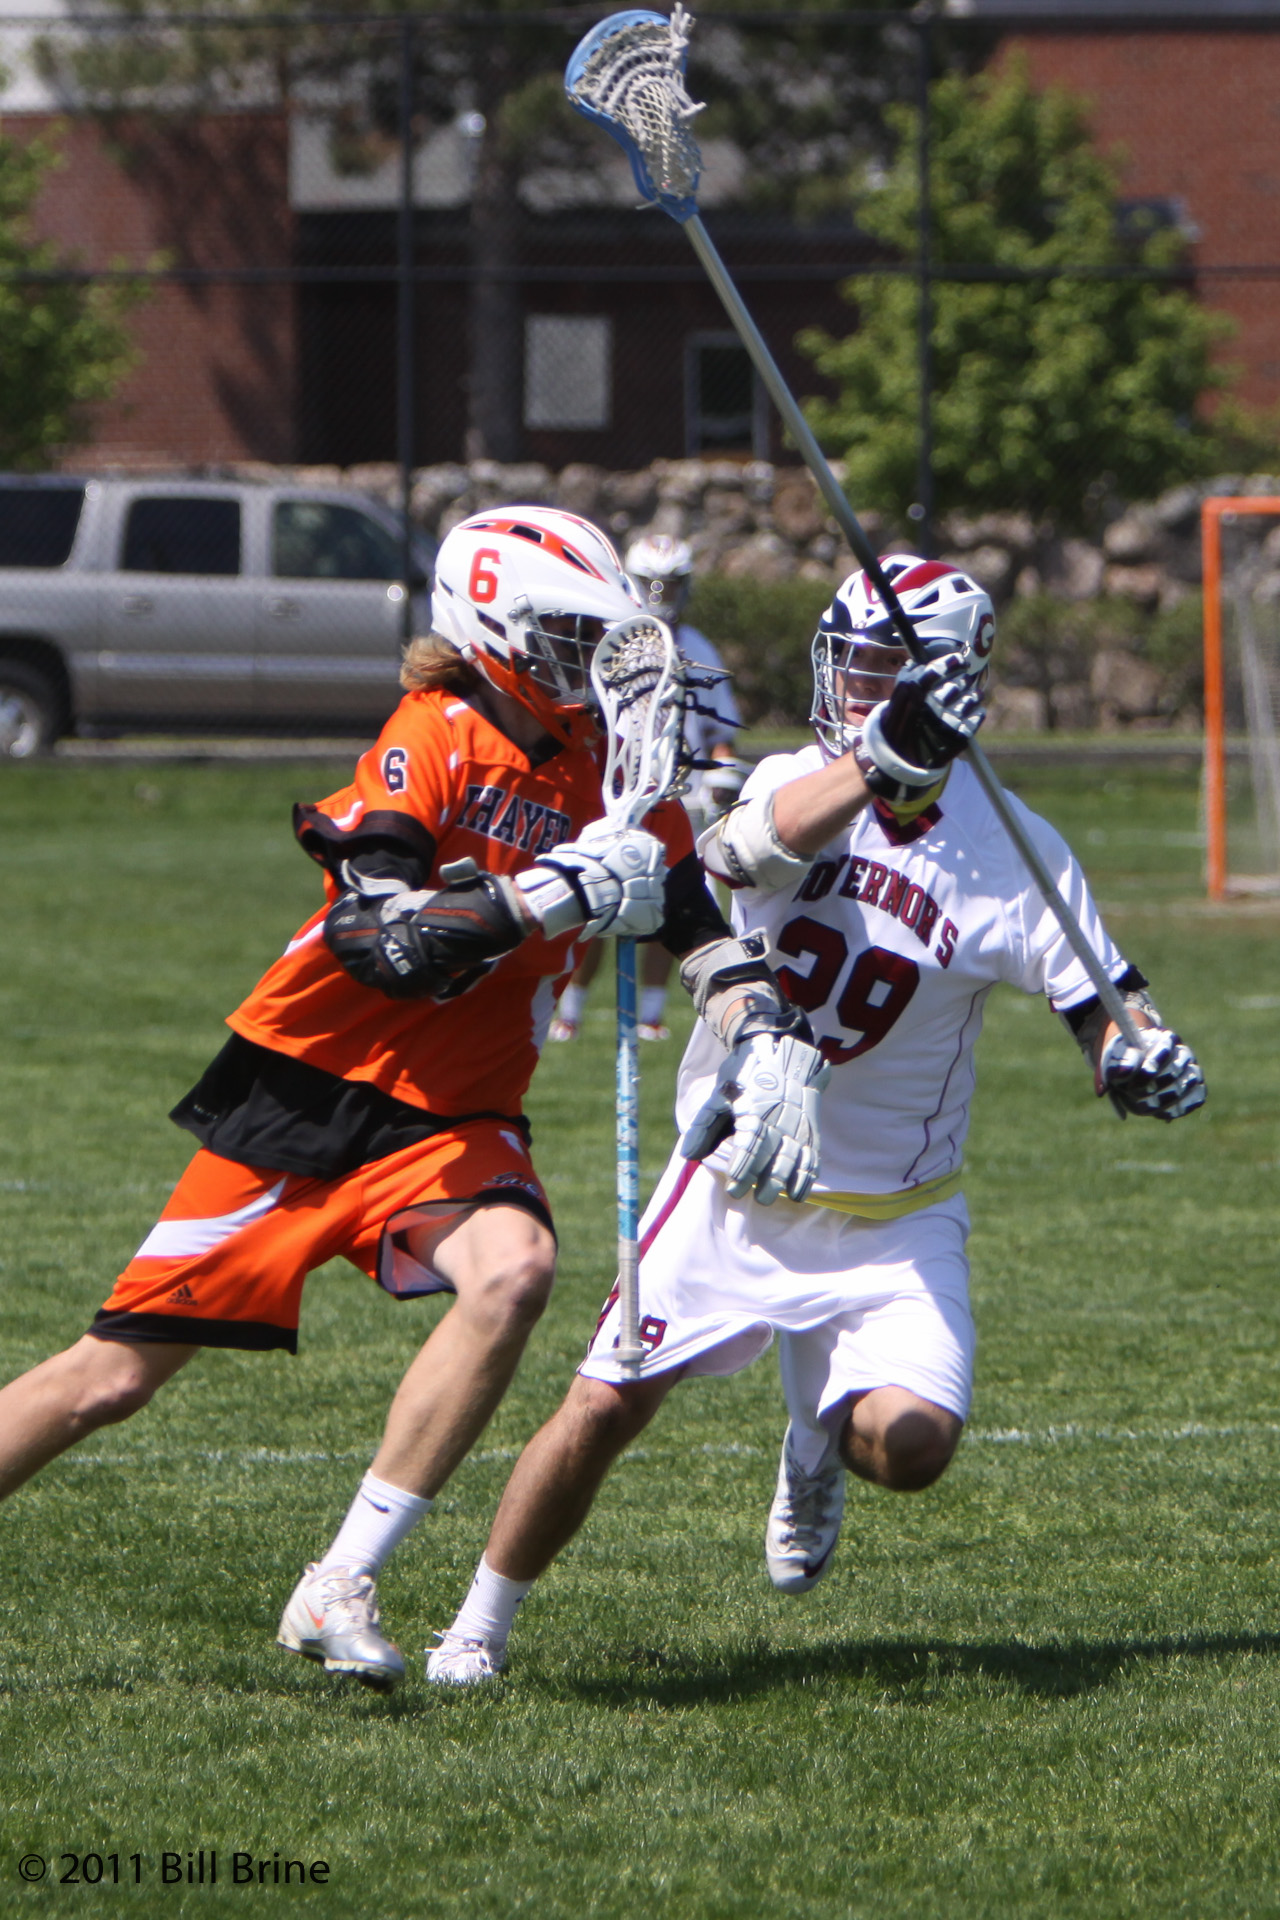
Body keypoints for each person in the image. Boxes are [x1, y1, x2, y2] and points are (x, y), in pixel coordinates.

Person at [0, 505, 824, 1691]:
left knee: (516, 1274)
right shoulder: (432, 732)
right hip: (306, 1098)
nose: (591, 661)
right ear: (494, 625)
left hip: (454, 1113)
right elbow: (379, 939)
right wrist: (547, 895)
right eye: (563, 633)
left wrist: (771, 1035)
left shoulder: (607, 769)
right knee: (111, 1378)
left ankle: (340, 1579)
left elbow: (696, 933)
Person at [425, 554, 1207, 1685]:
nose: (857, 691)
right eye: (850, 665)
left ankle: (814, 1435)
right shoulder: (801, 775)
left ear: (955, 682)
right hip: (735, 1167)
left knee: (914, 1448)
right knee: (603, 1404)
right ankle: (476, 1628)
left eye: (886, 669)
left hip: (894, 1212)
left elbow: (1105, 1000)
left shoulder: (1014, 846)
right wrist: (878, 759)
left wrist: (1136, 1056)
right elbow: (741, 853)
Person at [550, 534, 744, 1044]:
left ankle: (651, 1013)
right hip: (613, 792)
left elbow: (718, 732)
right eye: (652, 582)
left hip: (680, 794)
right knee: (593, 900)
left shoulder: (697, 648)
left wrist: (722, 774)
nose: (661, 593)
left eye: (672, 584)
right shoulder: (606, 646)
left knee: (669, 905)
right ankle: (569, 1007)